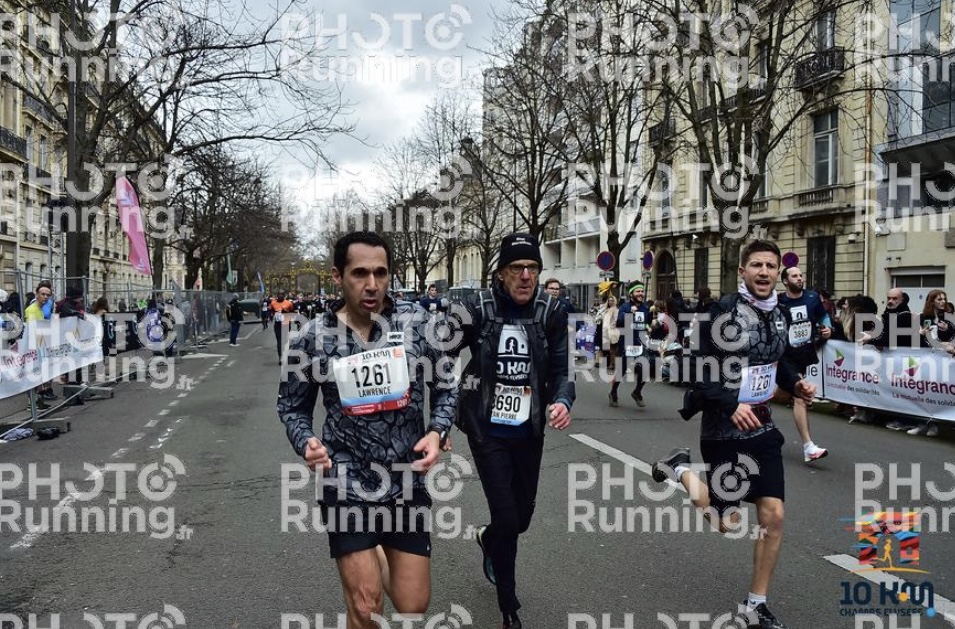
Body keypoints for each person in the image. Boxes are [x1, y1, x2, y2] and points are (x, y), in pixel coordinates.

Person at [278, 231, 457, 629]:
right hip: (345, 482)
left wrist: (436, 430)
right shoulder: (311, 339)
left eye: (381, 273)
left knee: (412, 604)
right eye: (360, 273)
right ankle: (365, 564)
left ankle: (374, 554)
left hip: (404, 481)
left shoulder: (416, 323)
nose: (372, 284)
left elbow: (446, 385)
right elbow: (291, 407)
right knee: (366, 604)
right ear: (338, 276)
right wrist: (306, 442)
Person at [651, 240, 816, 629]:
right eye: (756, 265)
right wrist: (730, 404)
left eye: (770, 266)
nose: (764, 272)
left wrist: (796, 385)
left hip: (762, 425)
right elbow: (696, 367)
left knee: (773, 515)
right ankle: (679, 469)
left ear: (779, 272)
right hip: (724, 429)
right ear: (742, 271)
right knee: (725, 522)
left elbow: (778, 362)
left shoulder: (780, 314)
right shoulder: (725, 311)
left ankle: (755, 605)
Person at [450, 232, 574, 629]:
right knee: (506, 515)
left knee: (519, 520)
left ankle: (488, 539)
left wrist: (562, 400)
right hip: (486, 428)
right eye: (517, 268)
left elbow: (561, 369)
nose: (526, 276)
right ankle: (509, 608)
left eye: (533, 268)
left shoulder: (550, 312)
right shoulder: (479, 308)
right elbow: (439, 355)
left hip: (529, 428)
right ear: (501, 273)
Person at [777, 266, 830, 463]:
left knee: (783, 394)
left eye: (801, 275)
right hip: (783, 355)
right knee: (801, 395)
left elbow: (823, 316)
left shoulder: (812, 298)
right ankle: (809, 447)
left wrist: (828, 328)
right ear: (785, 281)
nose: (800, 278)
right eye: (795, 276)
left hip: (802, 354)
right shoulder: (778, 301)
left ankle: (753, 405)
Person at [609, 280, 650, 408]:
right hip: (627, 344)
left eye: (642, 291)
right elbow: (619, 322)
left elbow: (646, 322)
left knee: (646, 368)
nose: (640, 293)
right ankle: (613, 393)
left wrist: (649, 327)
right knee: (622, 371)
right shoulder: (625, 307)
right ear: (631, 293)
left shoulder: (645, 308)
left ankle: (637, 392)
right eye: (638, 291)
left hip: (641, 343)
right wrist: (629, 314)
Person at [24, 281, 57, 402]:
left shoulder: (42, 308)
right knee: (34, 375)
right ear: (37, 294)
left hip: (42, 345)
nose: (45, 297)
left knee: (42, 374)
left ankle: (38, 401)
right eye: (43, 294)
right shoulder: (32, 310)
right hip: (34, 348)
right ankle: (31, 404)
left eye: (48, 295)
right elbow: (32, 331)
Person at [270, 291, 295, 359]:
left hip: (286, 324)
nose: (280, 296)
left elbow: (292, 311)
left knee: (286, 340)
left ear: (284, 296)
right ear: (277, 295)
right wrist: (272, 315)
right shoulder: (273, 303)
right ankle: (280, 356)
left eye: (282, 295)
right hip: (278, 324)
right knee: (279, 341)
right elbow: (271, 311)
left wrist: (287, 312)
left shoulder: (288, 303)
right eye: (279, 295)